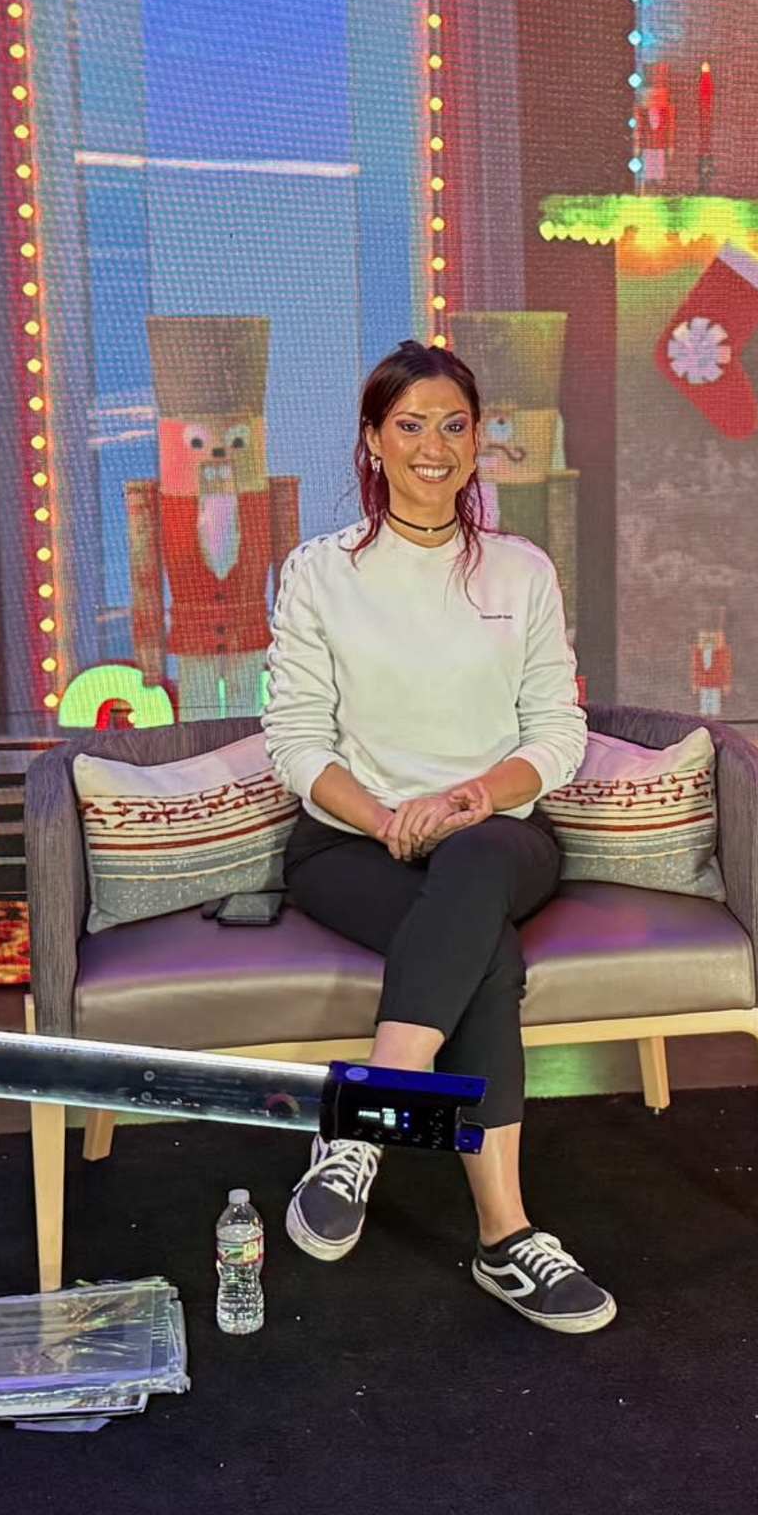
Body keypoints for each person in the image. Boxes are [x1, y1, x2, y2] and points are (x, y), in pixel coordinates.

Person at [261, 339, 613, 1333]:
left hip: (499, 836)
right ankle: (506, 1239)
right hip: (348, 845)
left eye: (454, 426)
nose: (434, 445)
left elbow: (557, 731)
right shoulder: (320, 574)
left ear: (479, 443)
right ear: (373, 442)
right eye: (409, 425)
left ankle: (363, 1123)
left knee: (473, 865)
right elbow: (294, 739)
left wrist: (464, 802)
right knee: (480, 950)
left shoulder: (522, 570)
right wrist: (384, 818)